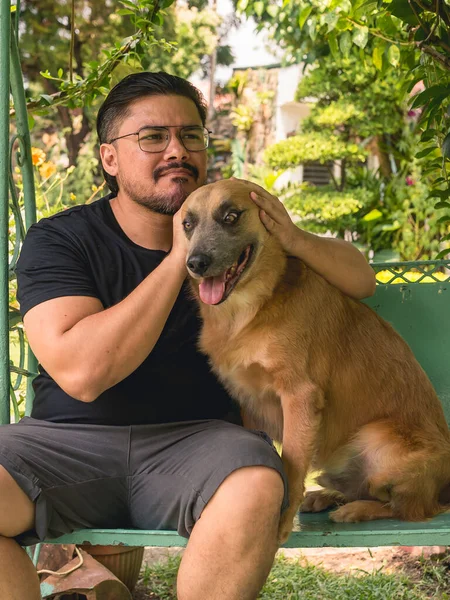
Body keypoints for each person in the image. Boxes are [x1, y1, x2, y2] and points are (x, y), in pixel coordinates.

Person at [0, 71, 376, 600]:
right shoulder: (62, 240)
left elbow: (362, 279)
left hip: (200, 446)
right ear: (109, 158)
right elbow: (83, 373)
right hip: (64, 446)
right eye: (152, 137)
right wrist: (181, 257)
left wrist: (291, 236)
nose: (177, 150)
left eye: (190, 135)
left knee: (257, 486)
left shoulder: (239, 243)